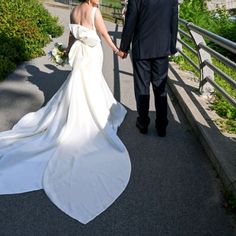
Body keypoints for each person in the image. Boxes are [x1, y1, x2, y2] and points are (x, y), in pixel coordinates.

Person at [0, 0, 131, 224]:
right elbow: (103, 34)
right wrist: (117, 50)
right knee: (90, 84)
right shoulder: (95, 11)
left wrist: (67, 51)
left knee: (78, 85)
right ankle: (92, 117)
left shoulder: (74, 10)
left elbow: (71, 36)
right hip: (91, 54)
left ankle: (78, 112)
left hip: (79, 55)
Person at [119, 0, 178, 137]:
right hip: (162, 50)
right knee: (160, 88)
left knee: (142, 87)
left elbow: (130, 22)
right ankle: (162, 125)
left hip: (142, 48)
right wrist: (172, 46)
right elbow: (174, 22)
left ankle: (143, 123)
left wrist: (124, 47)